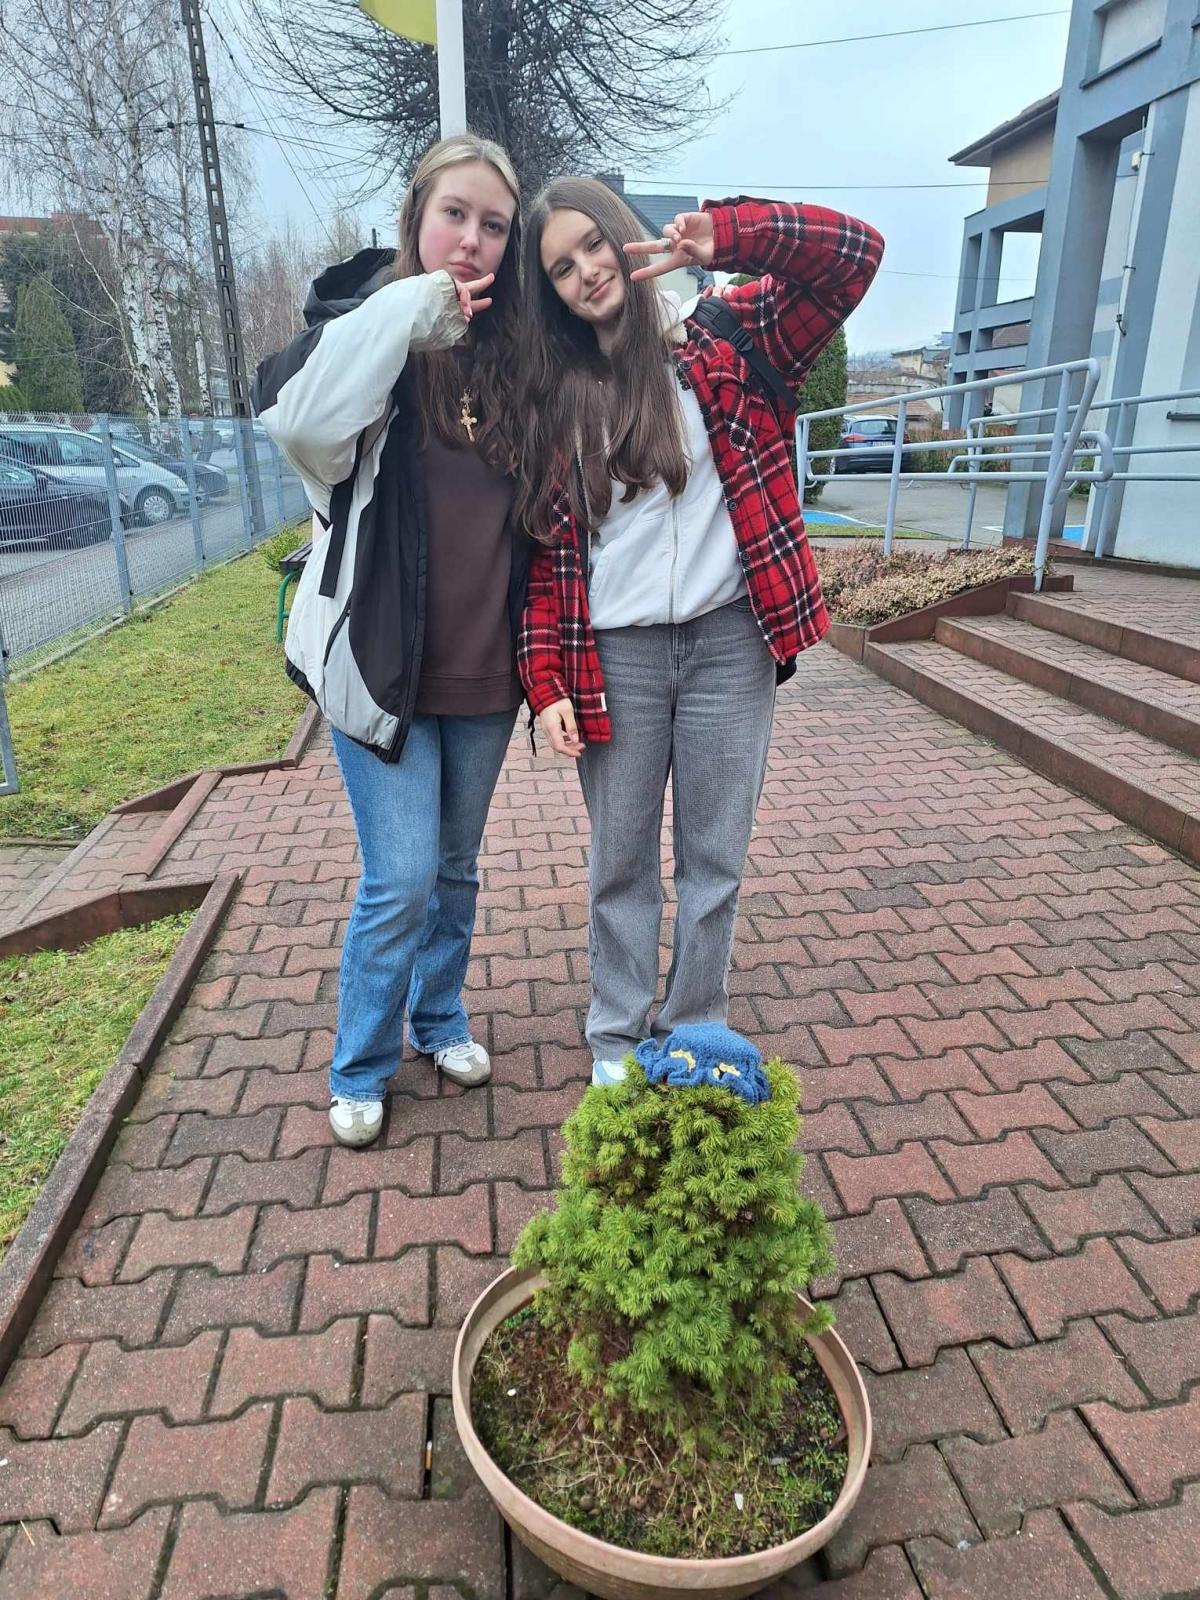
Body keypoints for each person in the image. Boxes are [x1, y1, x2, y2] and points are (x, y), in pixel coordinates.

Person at [515, 181, 883, 1086]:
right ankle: (615, 1035)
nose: (585, 271)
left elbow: (854, 256)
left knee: (714, 859)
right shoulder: (557, 395)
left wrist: (729, 235)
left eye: (593, 245)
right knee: (621, 860)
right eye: (560, 268)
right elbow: (547, 555)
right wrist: (546, 681)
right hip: (618, 654)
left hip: (730, 643)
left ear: (624, 237)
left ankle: (693, 1027)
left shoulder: (730, 337)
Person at [253, 134, 527, 1148]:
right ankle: (360, 1063)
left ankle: (438, 1017)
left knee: (454, 869)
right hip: (380, 667)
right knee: (400, 878)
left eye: (494, 224)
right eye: (455, 214)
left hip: (485, 670)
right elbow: (298, 422)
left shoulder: (510, 360)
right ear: (416, 219)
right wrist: (412, 309)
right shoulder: (360, 336)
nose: (473, 239)